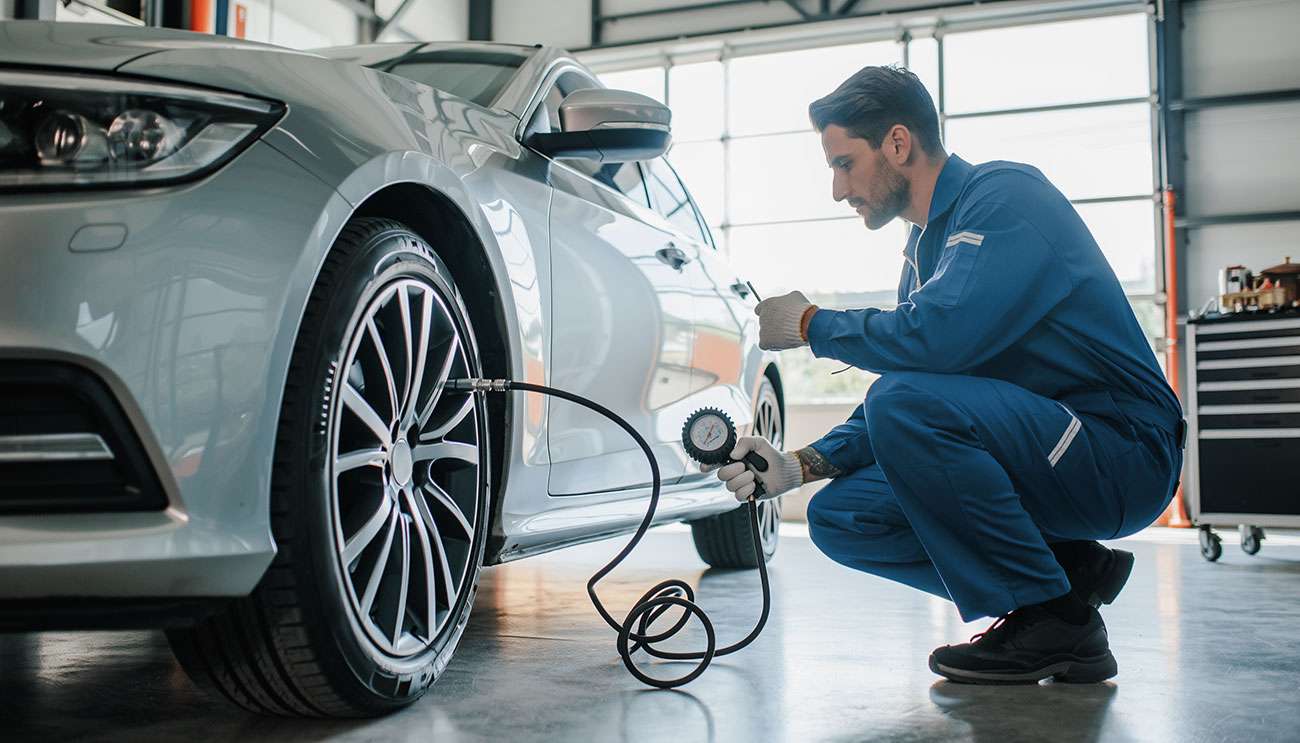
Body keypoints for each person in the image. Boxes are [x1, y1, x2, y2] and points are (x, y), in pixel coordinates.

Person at [707, 65, 1185, 684]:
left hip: (1120, 452)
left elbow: (934, 342)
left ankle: (1049, 617)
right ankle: (1064, 590)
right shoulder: (926, 251)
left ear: (898, 144)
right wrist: (802, 465)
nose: (837, 189)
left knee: (903, 398)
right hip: (1045, 452)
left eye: (844, 163)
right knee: (844, 518)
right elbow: (919, 376)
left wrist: (811, 325)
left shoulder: (1006, 198)